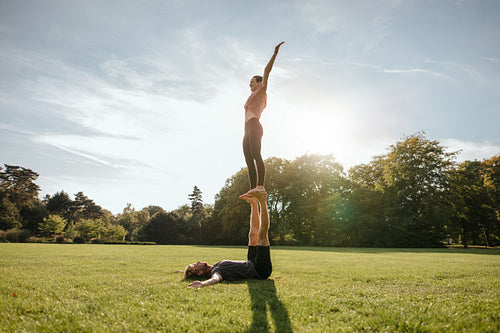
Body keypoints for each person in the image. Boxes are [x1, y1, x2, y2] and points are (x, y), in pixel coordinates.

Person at [184, 192, 271, 288]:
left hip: (251, 262)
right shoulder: (217, 272)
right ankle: (262, 200)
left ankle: (254, 203)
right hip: (260, 269)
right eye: (196, 265)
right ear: (200, 272)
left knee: (252, 234)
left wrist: (182, 272)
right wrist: (203, 283)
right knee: (261, 235)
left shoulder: (215, 266)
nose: (198, 261)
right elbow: (215, 279)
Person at [242, 42, 285, 197]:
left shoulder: (262, 90)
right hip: (247, 129)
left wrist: (275, 52)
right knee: (248, 159)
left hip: (254, 125)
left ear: (259, 83)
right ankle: (253, 189)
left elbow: (267, 70)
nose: (250, 84)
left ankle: (260, 186)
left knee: (256, 155)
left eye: (252, 81)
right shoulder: (252, 95)